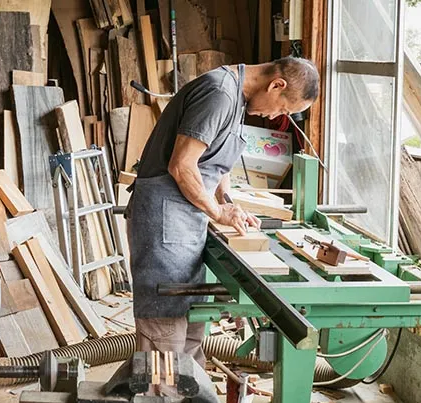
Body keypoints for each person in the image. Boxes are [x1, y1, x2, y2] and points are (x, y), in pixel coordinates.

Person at [126, 57, 320, 368]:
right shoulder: (219, 94)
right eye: (282, 109)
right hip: (164, 219)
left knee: (190, 327)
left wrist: (227, 200)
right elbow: (182, 164)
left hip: (186, 221)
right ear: (276, 85)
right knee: (165, 334)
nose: (275, 116)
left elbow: (216, 162)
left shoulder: (238, 99)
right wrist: (218, 212)